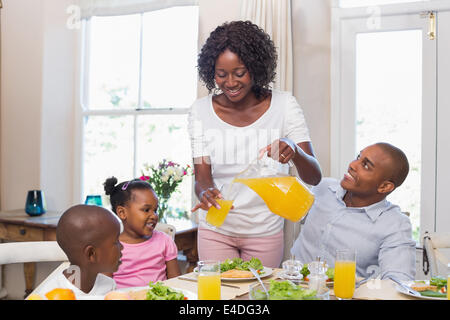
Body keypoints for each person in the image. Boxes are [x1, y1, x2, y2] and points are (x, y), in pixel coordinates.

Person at [188, 20, 322, 268]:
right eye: (221, 74)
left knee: (258, 300)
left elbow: (314, 176)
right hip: (216, 227)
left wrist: (293, 149)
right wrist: (205, 193)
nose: (230, 82)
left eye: (239, 73)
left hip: (264, 230)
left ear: (256, 68)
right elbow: (202, 177)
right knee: (219, 298)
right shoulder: (200, 111)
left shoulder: (285, 106)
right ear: (210, 71)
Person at [291, 142, 416, 281]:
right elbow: (287, 211)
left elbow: (399, 281)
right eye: (358, 157)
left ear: (384, 186)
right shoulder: (322, 188)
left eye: (366, 165)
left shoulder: (395, 224)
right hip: (292, 288)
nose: (352, 165)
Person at [104, 177, 181, 288]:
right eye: (146, 210)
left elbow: (175, 283)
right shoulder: (109, 247)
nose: (154, 215)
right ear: (122, 212)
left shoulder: (165, 241)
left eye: (155, 210)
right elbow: (103, 288)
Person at [35, 204, 122, 299]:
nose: (122, 247)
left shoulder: (109, 286)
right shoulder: (50, 294)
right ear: (91, 254)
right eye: (116, 242)